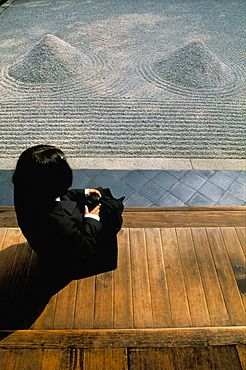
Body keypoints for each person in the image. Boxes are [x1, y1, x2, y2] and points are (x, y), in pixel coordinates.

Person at [12, 145, 118, 286]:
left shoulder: (25, 190)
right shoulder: (59, 223)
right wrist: (92, 219)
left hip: (51, 247)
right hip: (71, 264)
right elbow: (84, 251)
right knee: (108, 213)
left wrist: (83, 193)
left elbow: (52, 194)